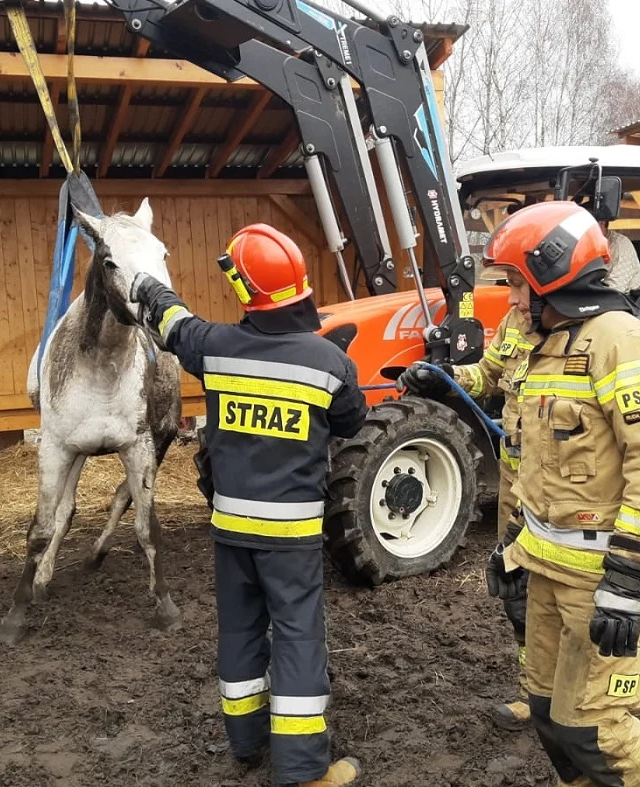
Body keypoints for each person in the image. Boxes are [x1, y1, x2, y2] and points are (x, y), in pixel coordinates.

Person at [129, 224, 368, 787]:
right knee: (298, 637)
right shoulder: (327, 364)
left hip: (230, 530)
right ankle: (305, 770)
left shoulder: (214, 347)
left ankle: (246, 742)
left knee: (239, 633)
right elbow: (353, 422)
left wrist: (146, 286)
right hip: (292, 537)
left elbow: (172, 324)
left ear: (244, 288)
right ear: (300, 285)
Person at [479, 202, 640, 786]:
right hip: (548, 570)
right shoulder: (546, 346)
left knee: (595, 729)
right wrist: (514, 549)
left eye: (517, 285)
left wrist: (628, 581)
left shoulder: (620, 341)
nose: (513, 300)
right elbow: (537, 464)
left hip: (604, 578)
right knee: (551, 719)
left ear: (555, 276)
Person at [396, 302, 539, 731]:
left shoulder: (599, 333)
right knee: (519, 591)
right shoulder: (517, 320)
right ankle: (535, 693)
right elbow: (489, 374)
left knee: (572, 598)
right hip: (516, 477)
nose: (512, 297)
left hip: (563, 486)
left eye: (518, 284)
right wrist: (444, 377)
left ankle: (606, 706)